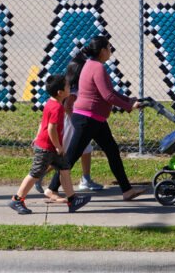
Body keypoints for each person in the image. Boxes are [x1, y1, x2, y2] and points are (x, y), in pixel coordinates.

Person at [44, 36, 147, 202]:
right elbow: (108, 95)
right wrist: (129, 106)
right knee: (71, 156)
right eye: (109, 47)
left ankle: (127, 190)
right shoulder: (97, 67)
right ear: (102, 51)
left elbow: (109, 92)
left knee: (112, 152)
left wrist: (129, 100)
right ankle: (51, 189)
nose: (111, 51)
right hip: (87, 119)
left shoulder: (91, 65)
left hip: (95, 119)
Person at [8, 74, 91, 214]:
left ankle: (72, 200)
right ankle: (17, 199)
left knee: (65, 169)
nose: (69, 87)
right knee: (35, 173)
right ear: (60, 92)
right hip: (47, 148)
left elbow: (43, 123)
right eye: (67, 86)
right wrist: (58, 146)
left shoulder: (51, 102)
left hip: (51, 146)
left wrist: (37, 135)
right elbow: (51, 128)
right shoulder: (57, 108)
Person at [34, 52, 104, 193]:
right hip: (71, 125)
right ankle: (40, 175)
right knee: (65, 155)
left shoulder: (71, 84)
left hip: (73, 123)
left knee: (85, 150)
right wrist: (76, 124)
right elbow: (67, 107)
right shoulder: (73, 88)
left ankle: (86, 178)